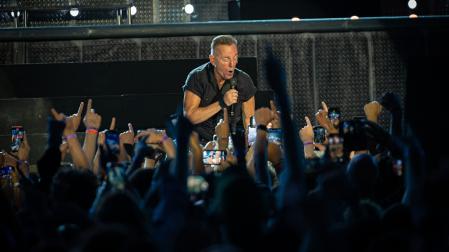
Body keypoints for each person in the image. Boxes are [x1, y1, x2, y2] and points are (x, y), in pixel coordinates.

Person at [183, 35, 257, 144]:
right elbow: (189, 117)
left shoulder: (243, 80)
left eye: (235, 58)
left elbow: (249, 122)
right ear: (213, 60)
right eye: (226, 59)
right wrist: (222, 102)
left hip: (231, 143)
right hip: (198, 141)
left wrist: (250, 150)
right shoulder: (198, 77)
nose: (232, 64)